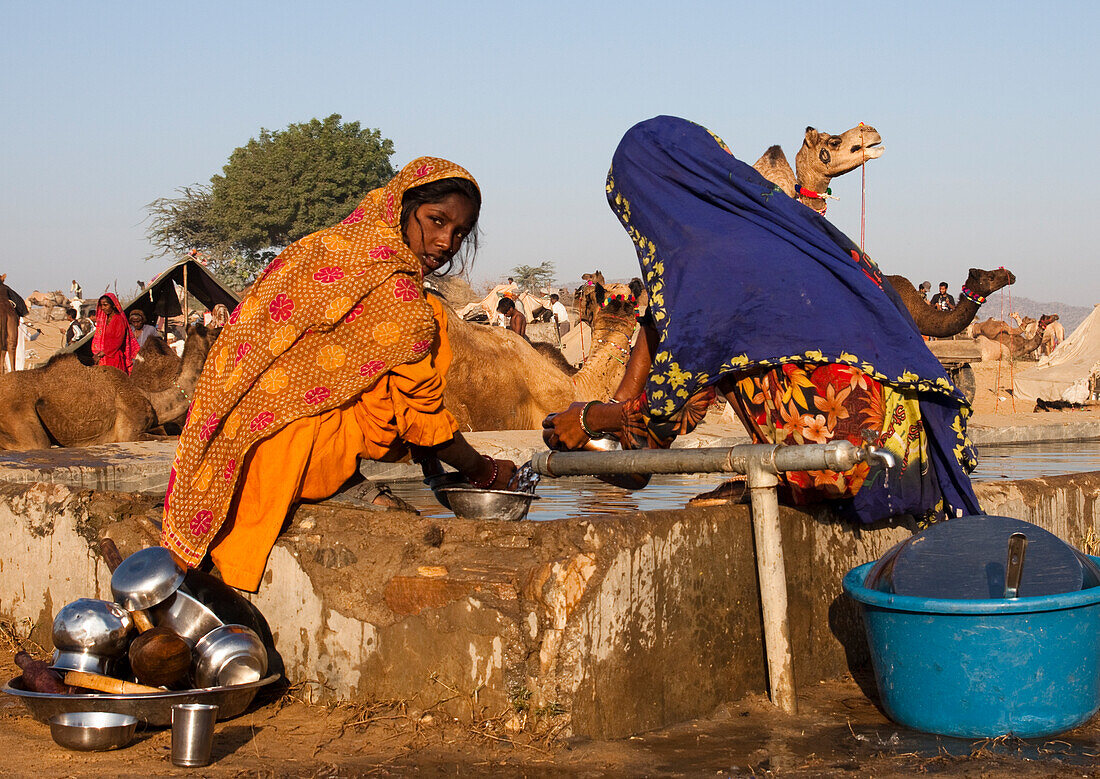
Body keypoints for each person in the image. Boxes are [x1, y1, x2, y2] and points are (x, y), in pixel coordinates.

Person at [542, 116, 980, 525]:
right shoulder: (784, 232)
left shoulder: (708, 269)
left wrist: (589, 421)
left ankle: (785, 480)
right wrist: (603, 430)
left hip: (854, 472)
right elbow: (644, 451)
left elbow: (660, 412)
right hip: (921, 462)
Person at [161, 157, 518, 591]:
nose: (446, 241)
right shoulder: (399, 294)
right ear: (402, 208)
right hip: (288, 458)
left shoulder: (326, 246)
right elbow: (423, 419)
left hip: (227, 447)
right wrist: (484, 473)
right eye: (436, 221)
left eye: (459, 232)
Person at [91, 293, 139, 374]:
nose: (103, 308)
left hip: (114, 357)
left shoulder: (119, 319)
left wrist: (101, 354)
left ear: (113, 305)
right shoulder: (105, 321)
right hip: (104, 357)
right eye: (101, 305)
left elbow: (117, 341)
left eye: (105, 305)